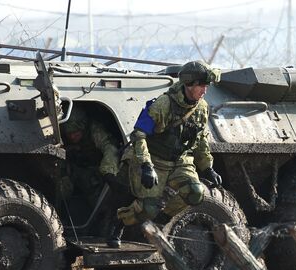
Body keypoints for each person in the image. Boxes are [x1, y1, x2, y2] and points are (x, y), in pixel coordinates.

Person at [108, 60, 222, 246]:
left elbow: (201, 139)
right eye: (201, 85)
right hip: (154, 158)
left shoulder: (202, 107)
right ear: (188, 84)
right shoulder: (163, 104)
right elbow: (139, 134)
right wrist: (145, 164)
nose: (205, 90)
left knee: (195, 193)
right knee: (148, 208)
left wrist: (208, 167)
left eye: (207, 86)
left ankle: (160, 221)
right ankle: (120, 221)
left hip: (180, 160)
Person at [59, 106, 122, 242]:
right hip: (73, 170)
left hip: (93, 172)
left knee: (98, 201)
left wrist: (108, 172)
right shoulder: (62, 134)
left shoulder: (95, 130)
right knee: (61, 188)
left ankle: (99, 229)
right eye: (69, 134)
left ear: (83, 128)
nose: (72, 136)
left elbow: (109, 147)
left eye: (76, 133)